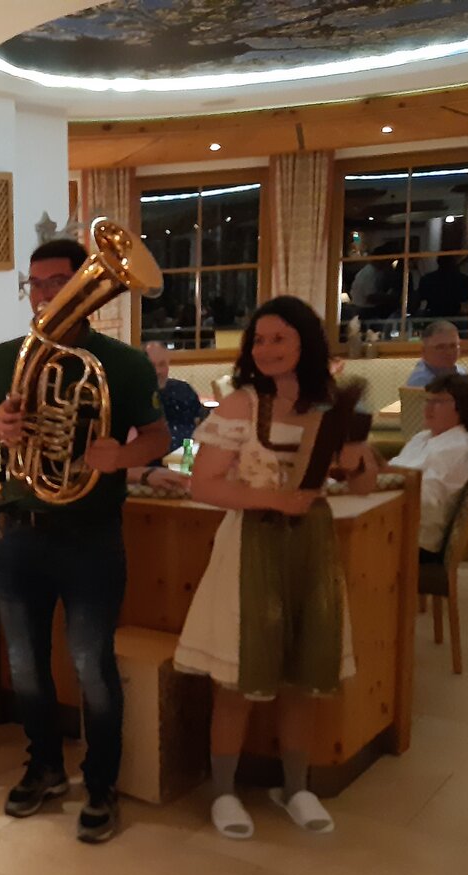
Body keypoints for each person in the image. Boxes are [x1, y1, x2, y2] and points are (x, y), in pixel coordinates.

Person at [0, 238, 170, 844]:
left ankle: (101, 784)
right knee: (26, 668)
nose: (46, 295)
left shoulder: (122, 363)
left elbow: (159, 436)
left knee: (91, 666)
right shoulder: (4, 358)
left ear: (86, 287)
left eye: (59, 282)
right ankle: (46, 768)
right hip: (20, 533)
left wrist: (121, 456)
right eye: (37, 284)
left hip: (91, 537)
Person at [173, 296, 377, 841]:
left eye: (278, 338)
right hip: (250, 546)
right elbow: (202, 485)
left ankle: (296, 786)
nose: (265, 350)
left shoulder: (330, 404)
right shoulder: (240, 405)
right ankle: (223, 792)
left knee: (302, 678)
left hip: (311, 547)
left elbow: (363, 484)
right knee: (238, 680)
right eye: (258, 340)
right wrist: (275, 500)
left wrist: (356, 460)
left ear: (305, 343)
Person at [388, 374, 468, 559]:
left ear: (461, 407)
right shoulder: (422, 437)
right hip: (395, 520)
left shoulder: (457, 446)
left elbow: (429, 500)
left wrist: (389, 477)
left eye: (438, 402)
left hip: (416, 538)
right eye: (427, 400)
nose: (428, 407)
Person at [125, 342, 199, 493]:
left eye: (162, 364)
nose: (158, 371)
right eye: (152, 365)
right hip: (158, 473)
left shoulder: (183, 390)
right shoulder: (131, 399)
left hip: (191, 462)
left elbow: (201, 424)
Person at [405, 321, 468, 387]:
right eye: (440, 347)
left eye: (453, 346)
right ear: (424, 351)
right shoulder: (420, 381)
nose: (449, 352)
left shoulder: (461, 371)